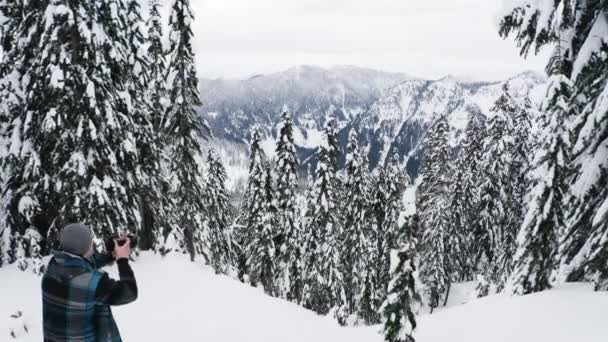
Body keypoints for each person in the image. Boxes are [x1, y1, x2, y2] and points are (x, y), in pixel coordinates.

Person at [42, 223, 138, 342]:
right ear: (85, 246)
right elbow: (129, 292)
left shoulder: (53, 267)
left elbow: (83, 263)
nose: (92, 246)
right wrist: (122, 260)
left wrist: (113, 254)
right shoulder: (94, 284)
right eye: (90, 242)